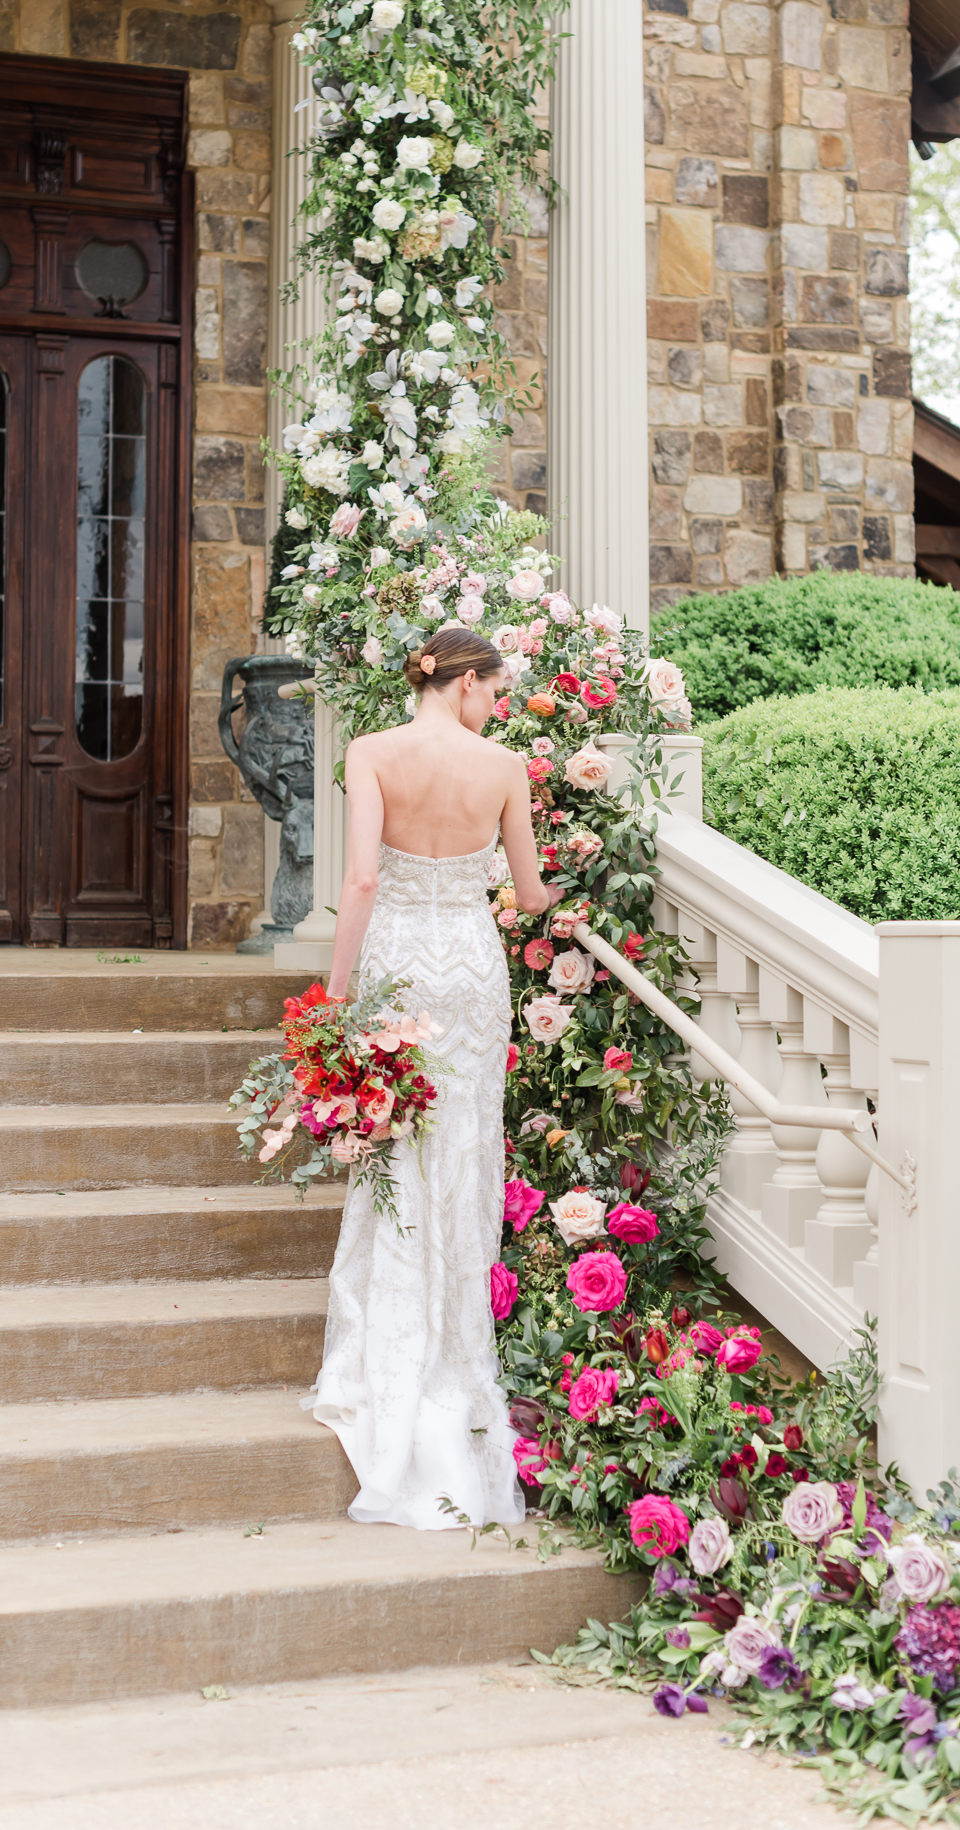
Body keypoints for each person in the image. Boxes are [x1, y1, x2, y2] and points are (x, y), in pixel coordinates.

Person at [304, 627, 557, 1528]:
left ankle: (392, 1337)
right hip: (472, 968)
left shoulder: (369, 752)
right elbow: (527, 897)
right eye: (492, 689)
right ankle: (455, 1342)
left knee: (396, 1138)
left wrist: (333, 999)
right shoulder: (502, 767)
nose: (495, 704)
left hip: (400, 962)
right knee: (463, 1143)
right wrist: (569, 899)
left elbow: (363, 879)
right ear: (462, 685)